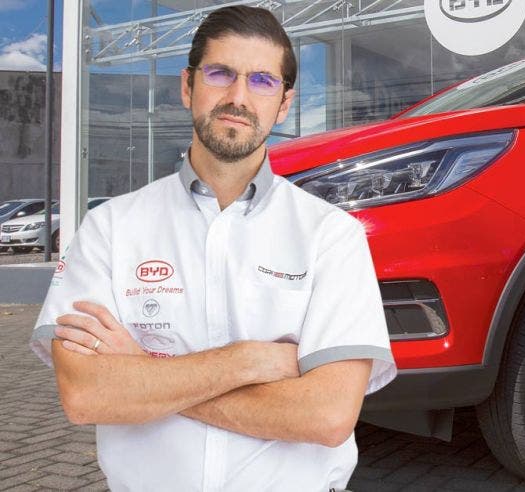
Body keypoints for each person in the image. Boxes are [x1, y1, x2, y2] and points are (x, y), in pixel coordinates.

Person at [29, 6, 395, 491]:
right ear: (187, 87)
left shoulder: (330, 235)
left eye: (262, 81)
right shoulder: (110, 229)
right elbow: (85, 393)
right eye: (220, 73)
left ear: (284, 104)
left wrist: (143, 373)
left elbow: (326, 416)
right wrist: (244, 361)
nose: (238, 97)